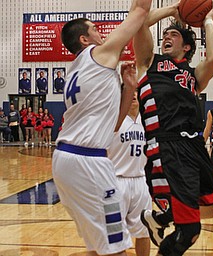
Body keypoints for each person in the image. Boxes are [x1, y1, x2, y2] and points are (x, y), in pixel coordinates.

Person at [51, 0, 152, 255]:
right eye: (95, 29)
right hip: (88, 162)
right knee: (115, 247)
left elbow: (113, 126)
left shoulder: (79, 69)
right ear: (85, 40)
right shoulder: (100, 54)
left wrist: (128, 88)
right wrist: (174, 9)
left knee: (103, 246)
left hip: (71, 160)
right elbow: (140, 10)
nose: (102, 33)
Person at [133, 1, 213, 255]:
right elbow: (141, 22)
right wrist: (175, 10)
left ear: (187, 46)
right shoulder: (149, 62)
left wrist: (207, 21)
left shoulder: (193, 75)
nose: (166, 38)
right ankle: (164, 223)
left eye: (173, 35)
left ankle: (159, 219)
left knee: (210, 208)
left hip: (195, 146)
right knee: (189, 231)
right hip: (167, 146)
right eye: (165, 35)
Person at [108, 90, 152, 256]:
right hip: (116, 181)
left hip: (142, 181)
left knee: (144, 232)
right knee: (115, 236)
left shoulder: (147, 121)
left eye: (136, 92)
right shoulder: (113, 120)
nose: (133, 95)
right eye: (129, 93)